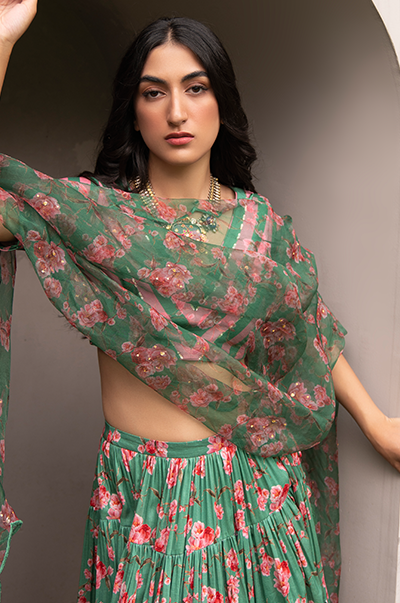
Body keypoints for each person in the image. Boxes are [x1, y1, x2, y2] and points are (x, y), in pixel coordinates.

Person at [0, 2, 399, 602]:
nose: (176, 112)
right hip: (145, 500)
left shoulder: (260, 225)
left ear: (221, 102)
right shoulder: (97, 217)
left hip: (258, 496)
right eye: (153, 93)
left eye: (196, 88)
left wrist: (377, 423)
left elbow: (307, 331)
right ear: (133, 112)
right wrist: (2, 42)